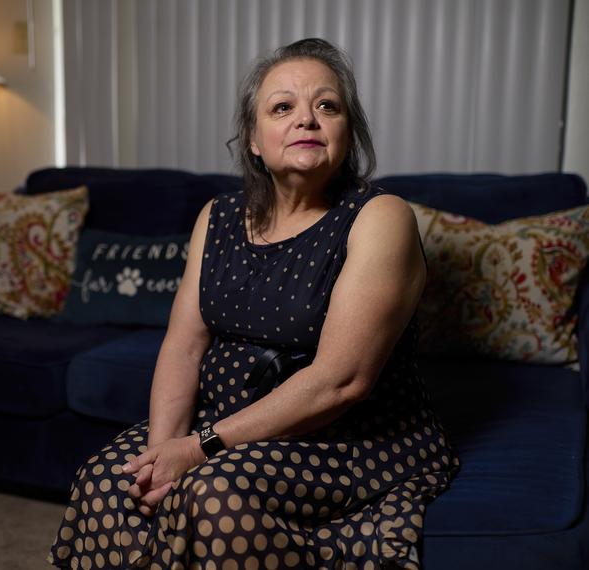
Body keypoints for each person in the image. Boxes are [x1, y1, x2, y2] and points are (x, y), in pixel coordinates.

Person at [48, 38, 459, 570]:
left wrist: (196, 450)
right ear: (254, 141)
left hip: (344, 437)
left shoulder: (380, 217)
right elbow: (183, 346)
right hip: (222, 421)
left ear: (347, 133)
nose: (306, 119)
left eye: (327, 106)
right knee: (109, 483)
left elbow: (341, 381)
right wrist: (162, 452)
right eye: (282, 107)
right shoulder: (217, 216)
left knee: (214, 497)